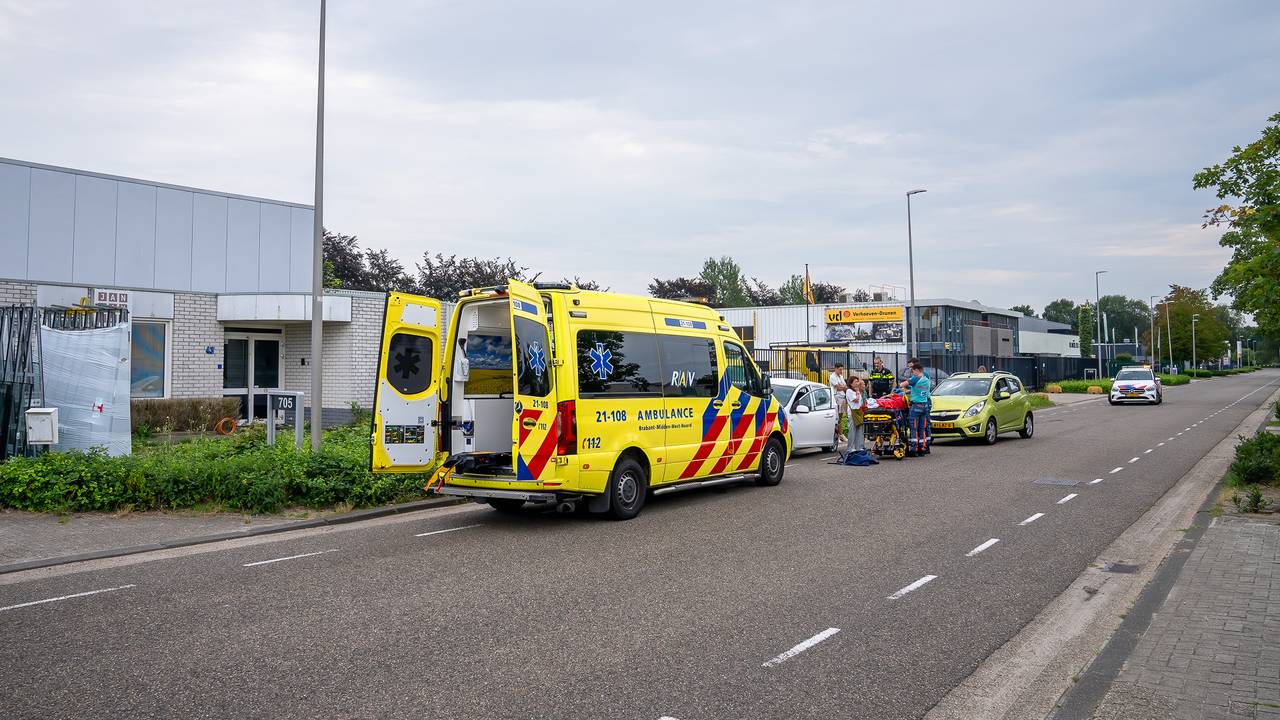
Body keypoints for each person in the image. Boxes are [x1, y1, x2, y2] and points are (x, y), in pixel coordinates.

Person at [901, 363, 933, 456]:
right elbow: (920, 389)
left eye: (913, 371)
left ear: (917, 370)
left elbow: (903, 384)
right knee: (922, 428)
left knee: (914, 428)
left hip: (916, 407)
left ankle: (914, 449)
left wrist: (903, 385)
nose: (912, 372)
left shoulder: (915, 378)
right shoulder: (926, 379)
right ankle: (922, 448)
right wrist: (911, 390)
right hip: (925, 406)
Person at [844, 377, 867, 456]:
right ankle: (851, 448)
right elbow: (855, 400)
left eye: (858, 382)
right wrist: (857, 392)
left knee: (859, 430)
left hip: (858, 412)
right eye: (856, 382)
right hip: (852, 413)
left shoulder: (858, 391)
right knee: (852, 430)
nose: (858, 383)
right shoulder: (849, 391)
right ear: (851, 383)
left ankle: (859, 447)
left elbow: (860, 402)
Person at [829, 362, 848, 444]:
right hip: (836, 398)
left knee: (840, 418)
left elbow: (845, 386)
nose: (841, 371)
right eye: (840, 369)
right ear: (836, 369)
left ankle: (841, 434)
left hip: (842, 398)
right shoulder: (832, 377)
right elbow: (839, 387)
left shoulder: (841, 376)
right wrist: (842, 387)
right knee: (836, 419)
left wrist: (842, 387)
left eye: (842, 369)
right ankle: (837, 435)